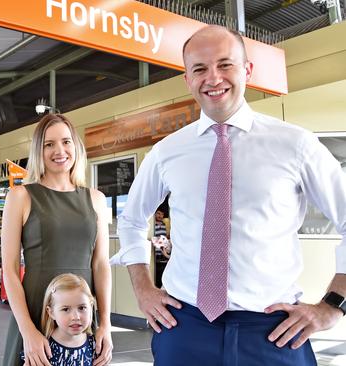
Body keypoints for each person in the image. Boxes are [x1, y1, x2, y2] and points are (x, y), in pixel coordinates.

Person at [112, 25, 346, 366]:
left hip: (274, 331)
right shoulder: (167, 152)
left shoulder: (296, 145)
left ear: (247, 70)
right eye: (200, 69)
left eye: (225, 64)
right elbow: (132, 219)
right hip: (184, 325)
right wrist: (143, 289)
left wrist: (334, 305)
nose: (213, 78)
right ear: (187, 80)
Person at [1, 113, 113, 366]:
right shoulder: (20, 197)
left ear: (76, 146)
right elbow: (8, 268)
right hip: (35, 310)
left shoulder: (95, 198)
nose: (59, 150)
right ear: (38, 151)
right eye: (49, 144)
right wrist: (27, 329)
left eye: (66, 141)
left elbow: (101, 264)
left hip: (82, 317)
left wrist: (105, 323)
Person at [21, 273, 97, 365]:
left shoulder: (95, 344)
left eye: (82, 308)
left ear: (91, 306)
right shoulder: (42, 348)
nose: (76, 317)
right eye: (65, 309)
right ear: (51, 312)